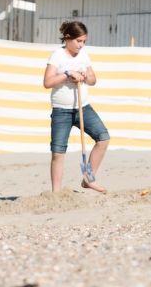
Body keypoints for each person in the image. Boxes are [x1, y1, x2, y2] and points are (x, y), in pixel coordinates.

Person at [45, 21, 109, 193]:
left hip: (83, 107)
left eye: (84, 41)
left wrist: (84, 76)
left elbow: (93, 80)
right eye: (78, 41)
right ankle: (56, 193)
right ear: (68, 38)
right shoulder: (57, 55)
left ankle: (88, 179)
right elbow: (47, 82)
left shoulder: (83, 56)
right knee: (58, 152)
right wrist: (66, 74)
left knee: (103, 138)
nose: (81, 45)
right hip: (61, 111)